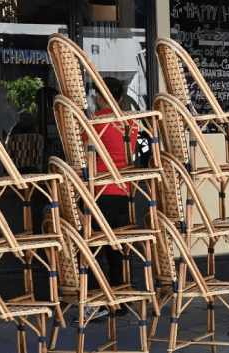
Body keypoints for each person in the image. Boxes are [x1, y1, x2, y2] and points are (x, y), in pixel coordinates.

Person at [80, 77, 137, 321]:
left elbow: (83, 157)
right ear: (120, 98)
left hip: (99, 193)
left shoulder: (94, 124)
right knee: (117, 250)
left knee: (91, 249)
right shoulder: (130, 123)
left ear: (97, 96)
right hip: (123, 193)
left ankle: (99, 300)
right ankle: (119, 302)